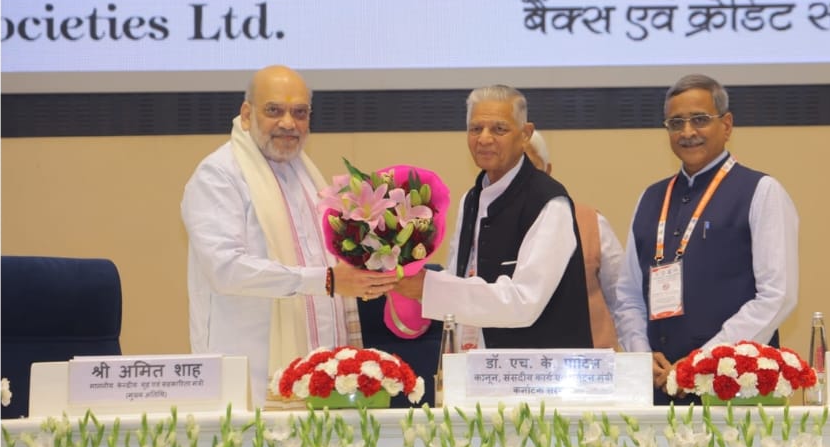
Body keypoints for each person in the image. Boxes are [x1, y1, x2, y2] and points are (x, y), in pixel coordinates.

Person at [181, 65, 399, 406]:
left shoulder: (305, 174)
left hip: (318, 371)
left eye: (299, 113)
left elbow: (325, 260)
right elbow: (225, 270)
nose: (288, 123)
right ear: (247, 114)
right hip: (250, 376)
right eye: (274, 110)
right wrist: (326, 281)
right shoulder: (219, 175)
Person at [620, 73, 799, 404]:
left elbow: (777, 296)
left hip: (733, 388)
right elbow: (628, 295)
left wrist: (704, 362)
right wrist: (640, 355)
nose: (687, 132)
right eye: (676, 123)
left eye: (700, 120)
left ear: (726, 125)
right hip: (657, 387)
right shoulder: (650, 198)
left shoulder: (762, 192)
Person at [394, 84, 592, 349]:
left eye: (499, 129)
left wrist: (428, 288)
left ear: (525, 134)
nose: (484, 139)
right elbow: (459, 276)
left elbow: (525, 302)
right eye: (476, 129)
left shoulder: (549, 202)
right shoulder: (471, 198)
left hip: (537, 367)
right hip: (477, 362)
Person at [523, 129, 648, 351]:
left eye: (529, 167)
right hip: (513, 365)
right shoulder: (481, 227)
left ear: (548, 171)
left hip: (590, 364)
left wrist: (637, 357)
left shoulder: (591, 223)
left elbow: (623, 300)